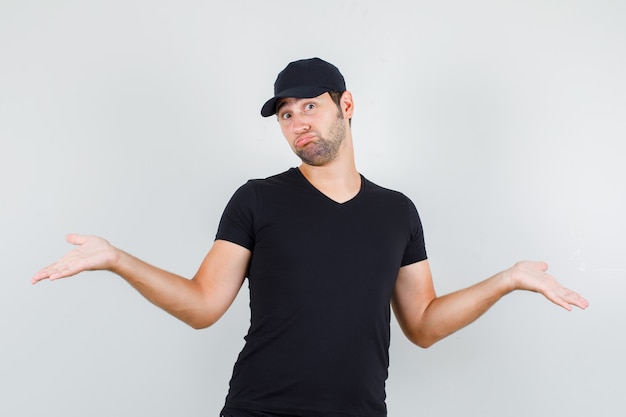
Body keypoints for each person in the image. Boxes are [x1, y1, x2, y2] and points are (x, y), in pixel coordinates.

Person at [32, 57, 589, 417]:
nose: (298, 122)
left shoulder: (397, 212)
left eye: (310, 106)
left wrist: (508, 279)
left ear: (345, 106)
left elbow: (422, 325)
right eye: (285, 114)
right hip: (260, 410)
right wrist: (117, 259)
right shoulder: (257, 199)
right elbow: (203, 305)